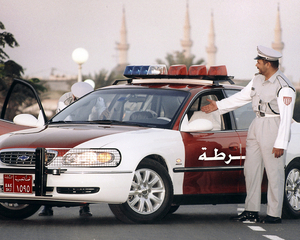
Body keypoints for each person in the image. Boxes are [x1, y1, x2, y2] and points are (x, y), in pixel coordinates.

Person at [201, 45, 295, 224]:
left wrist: (280, 143)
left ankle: (274, 213)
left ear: (268, 63)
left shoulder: (284, 86)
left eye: (259, 61)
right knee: (251, 170)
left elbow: (286, 117)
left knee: (274, 172)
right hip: (257, 123)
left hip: (273, 126)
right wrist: (218, 106)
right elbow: (242, 97)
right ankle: (251, 210)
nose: (256, 65)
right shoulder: (257, 80)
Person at [39, 81, 94, 217]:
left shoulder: (95, 98)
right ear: (74, 96)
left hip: (87, 130)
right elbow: (64, 117)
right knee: (50, 169)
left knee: (84, 170)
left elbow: (103, 115)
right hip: (64, 131)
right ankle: (47, 206)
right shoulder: (65, 99)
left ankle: (84, 207)